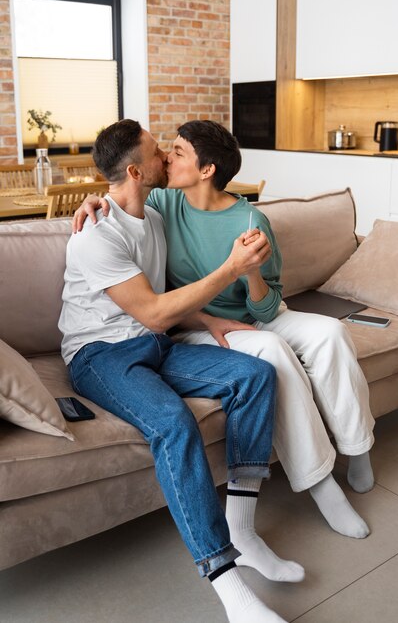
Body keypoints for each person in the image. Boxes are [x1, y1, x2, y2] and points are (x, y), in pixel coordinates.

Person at [74, 120, 375, 540]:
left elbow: (267, 304)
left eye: (176, 152)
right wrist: (92, 199)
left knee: (331, 333)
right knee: (269, 351)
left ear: (207, 170)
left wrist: (250, 272)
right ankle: (320, 482)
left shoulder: (249, 218)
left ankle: (357, 446)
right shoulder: (164, 204)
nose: (166, 157)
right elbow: (125, 195)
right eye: (166, 150)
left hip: (252, 315)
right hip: (198, 324)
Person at [60, 119, 305, 623]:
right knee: (173, 423)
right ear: (135, 170)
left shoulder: (153, 215)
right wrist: (230, 270)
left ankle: (244, 529)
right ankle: (228, 584)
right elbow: (151, 311)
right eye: (158, 153)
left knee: (254, 376)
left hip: (153, 343)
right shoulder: (94, 235)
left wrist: (208, 316)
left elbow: (159, 309)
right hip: (99, 354)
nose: (167, 159)